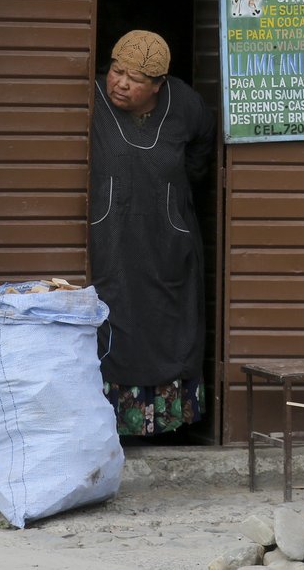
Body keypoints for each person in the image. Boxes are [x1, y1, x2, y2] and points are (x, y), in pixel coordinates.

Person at [89, 29, 216, 440]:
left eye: (135, 79)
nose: (121, 83)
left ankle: (168, 426)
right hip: (112, 236)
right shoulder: (90, 100)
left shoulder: (185, 105)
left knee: (170, 323)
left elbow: (201, 152)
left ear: (158, 85)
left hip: (168, 236)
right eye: (116, 71)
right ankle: (114, 425)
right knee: (115, 320)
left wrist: (174, 194)